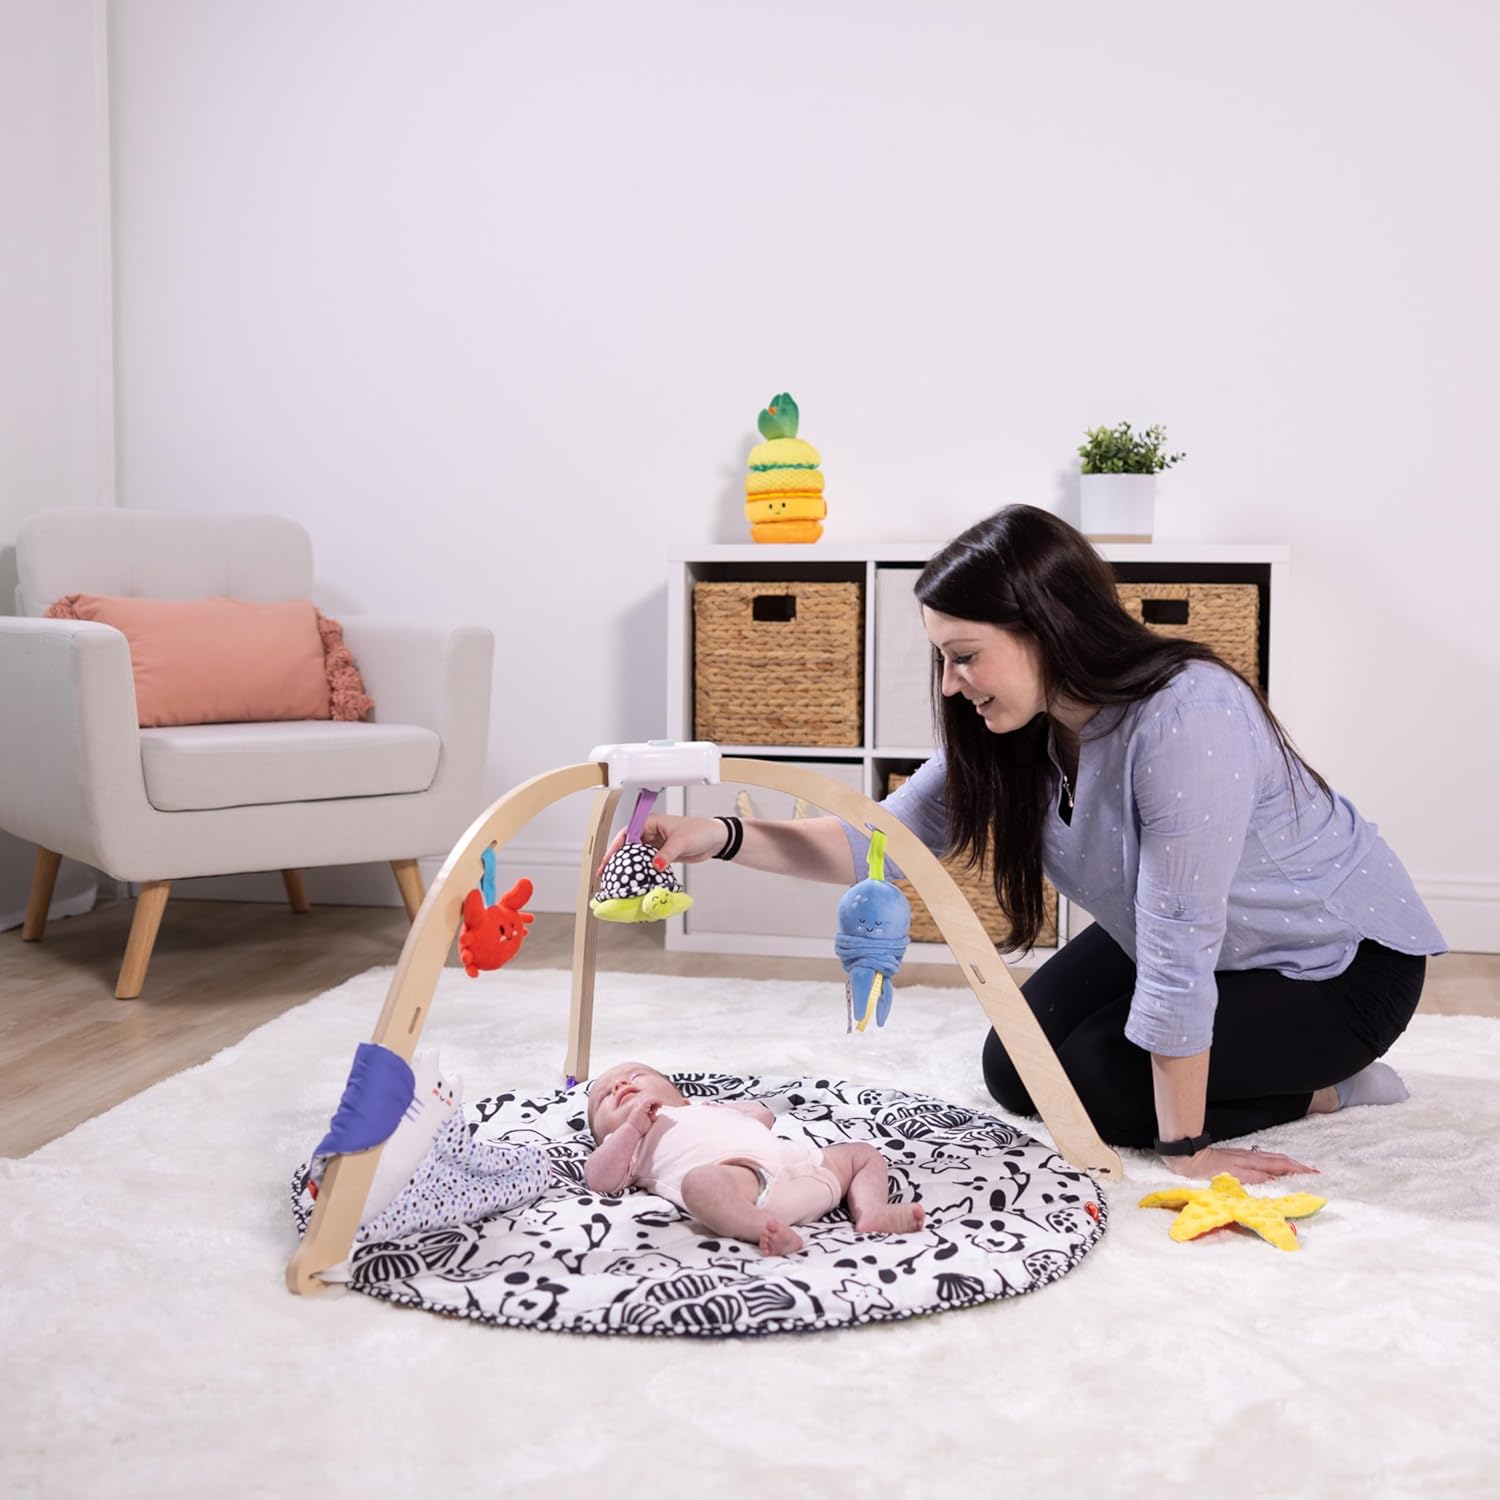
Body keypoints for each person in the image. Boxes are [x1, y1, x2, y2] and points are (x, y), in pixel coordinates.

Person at [617, 505, 1446, 1184]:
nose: (951, 684)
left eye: (964, 657)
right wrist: (712, 835)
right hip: (1213, 949)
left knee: (1102, 1085)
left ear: (1046, 627)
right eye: (944, 659)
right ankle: (1261, 1080)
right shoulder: (1019, 727)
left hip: (1336, 967)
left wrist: (1187, 1153)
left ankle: (1329, 1089)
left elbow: (1180, 944)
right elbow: (876, 844)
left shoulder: (1190, 715)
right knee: (1016, 1072)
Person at [584, 1059, 926, 1254]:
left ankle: (872, 1211)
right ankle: (763, 1229)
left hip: (806, 1165)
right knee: (700, 1183)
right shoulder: (629, 1141)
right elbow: (600, 1179)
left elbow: (763, 1116)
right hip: (747, 1185)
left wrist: (725, 1109)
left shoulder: (699, 1107)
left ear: (680, 1095)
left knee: (862, 1154)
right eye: (604, 1097)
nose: (619, 1086)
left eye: (636, 1076)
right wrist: (630, 1128)